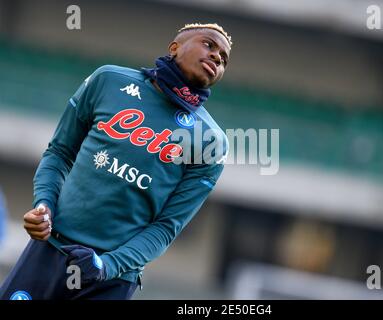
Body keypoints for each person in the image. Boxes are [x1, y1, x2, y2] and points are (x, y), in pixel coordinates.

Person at [0, 23, 231, 300]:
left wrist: (106, 266)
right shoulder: (108, 80)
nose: (217, 56)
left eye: (224, 58)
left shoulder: (211, 141)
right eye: (209, 44)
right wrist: (43, 204)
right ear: (175, 47)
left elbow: (166, 227)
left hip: (111, 280)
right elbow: (59, 153)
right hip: (49, 251)